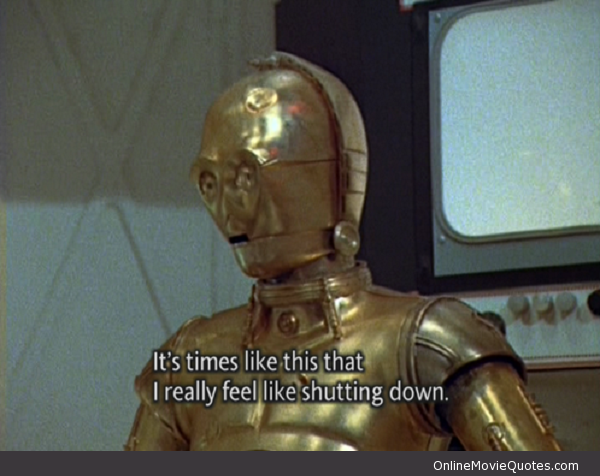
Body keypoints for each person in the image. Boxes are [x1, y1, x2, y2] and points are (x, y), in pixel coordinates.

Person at [125, 52, 560, 451]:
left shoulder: (426, 342)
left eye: (244, 177)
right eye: (210, 182)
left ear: (331, 177)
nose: (228, 208)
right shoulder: (190, 360)